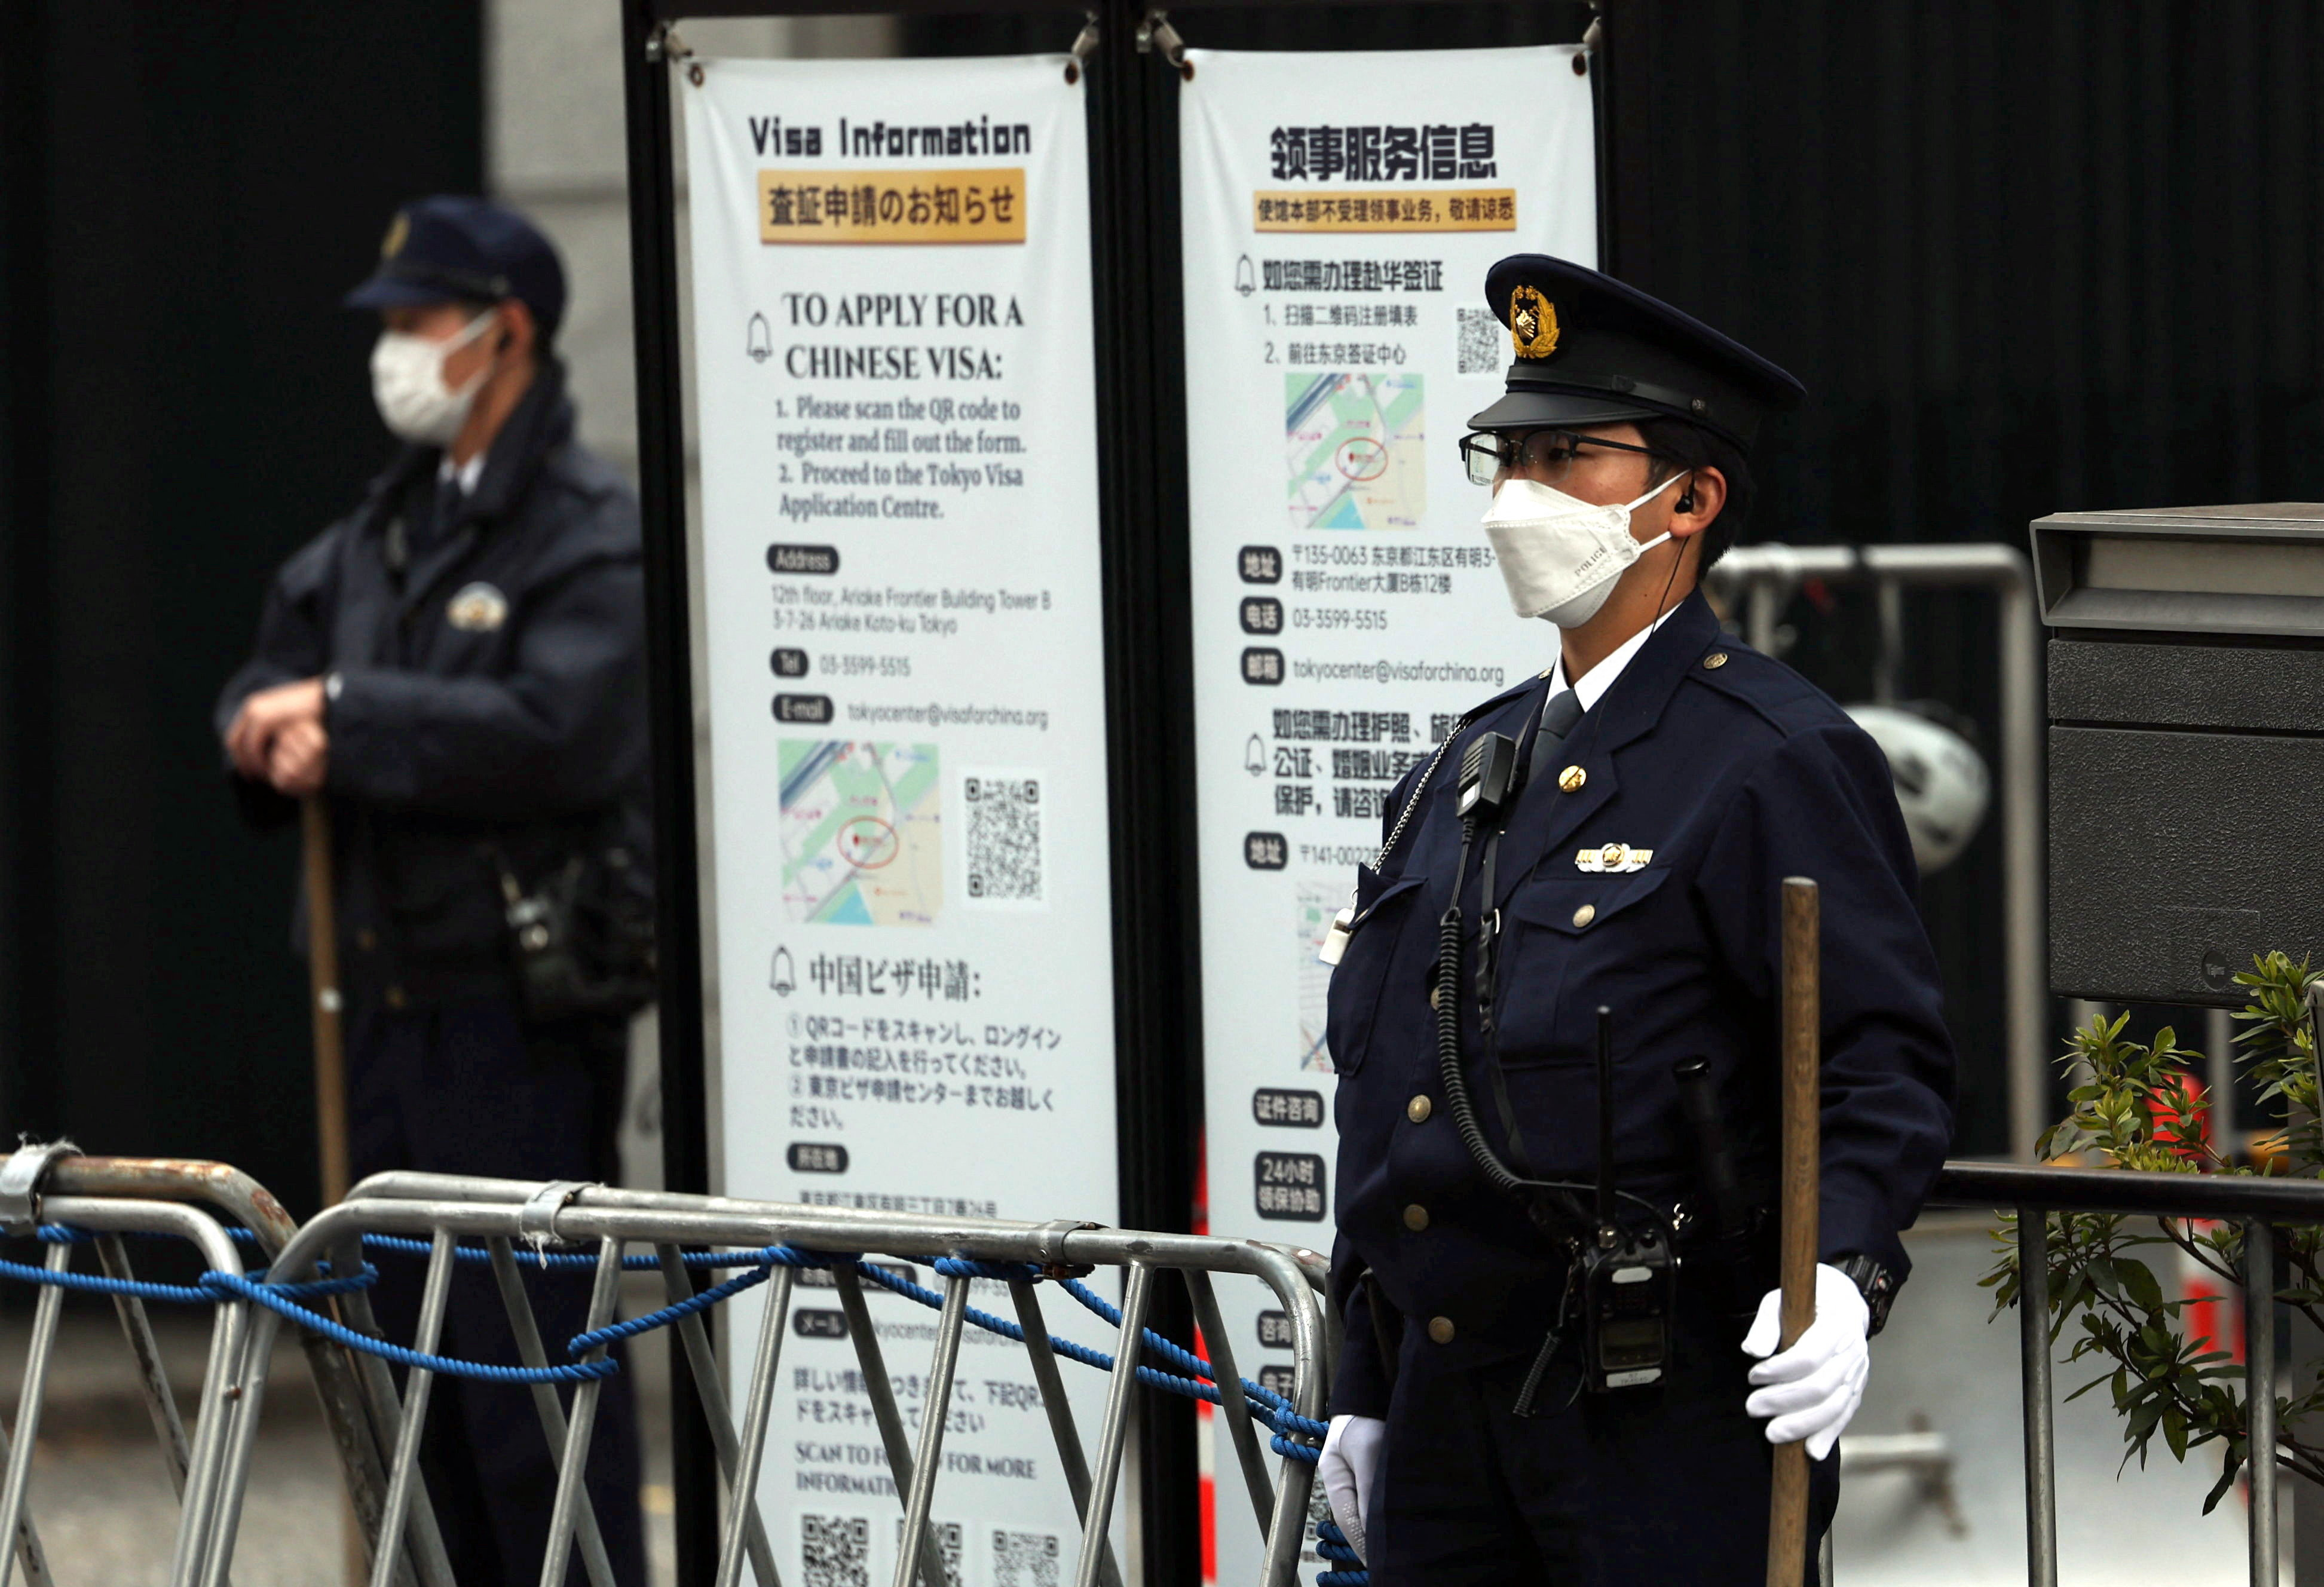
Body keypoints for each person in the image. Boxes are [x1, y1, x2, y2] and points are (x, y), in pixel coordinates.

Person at [1314, 255, 1955, 1585]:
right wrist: (1363, 1379)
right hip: (1451, 1413)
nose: (1518, 497)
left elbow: (1878, 1060)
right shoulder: (1465, 765)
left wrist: (1839, 1271)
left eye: (1568, 458)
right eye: (1506, 456)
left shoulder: (1769, 756)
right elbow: (1390, 1089)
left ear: (1690, 498)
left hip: (1660, 1415)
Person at [216, 195, 651, 1583]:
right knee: (404, 1400)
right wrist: (262, 725)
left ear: (502, 332)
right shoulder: (385, 524)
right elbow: (272, 664)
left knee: (529, 1401)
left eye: (417, 324)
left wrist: (350, 713)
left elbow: (557, 729)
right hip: (382, 1019)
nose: (394, 352)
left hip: (514, 1029)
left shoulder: (581, 526)